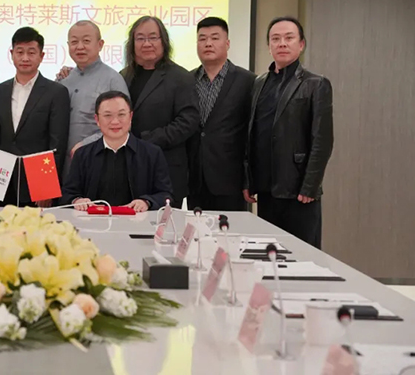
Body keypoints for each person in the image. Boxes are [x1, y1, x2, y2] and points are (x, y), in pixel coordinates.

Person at [244, 17, 333, 248]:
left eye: (289, 38)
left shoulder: (316, 84)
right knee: (270, 254)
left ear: (301, 44)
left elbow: (322, 140)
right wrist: (249, 179)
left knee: (303, 255)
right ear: (269, 46)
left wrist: (310, 185)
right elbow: (252, 134)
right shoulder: (259, 83)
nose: (282, 43)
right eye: (275, 39)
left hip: (299, 189)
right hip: (266, 189)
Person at [120, 16, 199, 208]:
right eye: (140, 38)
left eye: (153, 37)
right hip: (127, 169)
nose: (147, 43)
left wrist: (147, 140)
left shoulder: (181, 77)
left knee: (163, 225)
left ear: (163, 41)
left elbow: (188, 121)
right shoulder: (123, 76)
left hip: (166, 169)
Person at [0, 27, 71, 207]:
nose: (25, 58)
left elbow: (57, 144)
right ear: (11, 54)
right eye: (20, 52)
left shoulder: (56, 92)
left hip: (37, 181)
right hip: (3, 180)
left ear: (41, 56)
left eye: (31, 52)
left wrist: (45, 187)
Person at [62, 91, 173, 212]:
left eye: (121, 114)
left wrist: (146, 202)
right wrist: (77, 200)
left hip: (138, 221)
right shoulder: (82, 154)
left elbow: (165, 194)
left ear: (130, 117)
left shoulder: (152, 153)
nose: (115, 121)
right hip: (94, 221)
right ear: (97, 119)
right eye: (107, 115)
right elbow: (68, 193)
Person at [187, 17, 256, 212]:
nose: (208, 43)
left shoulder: (248, 81)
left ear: (227, 43)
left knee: (232, 231)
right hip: (195, 179)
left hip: (231, 180)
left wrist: (249, 179)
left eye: (215, 38)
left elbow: (252, 134)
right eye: (202, 39)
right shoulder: (186, 80)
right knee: (196, 230)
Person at [58, 20, 129, 178]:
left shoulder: (113, 80)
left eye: (86, 41)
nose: (80, 47)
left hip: (99, 162)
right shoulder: (64, 80)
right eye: (74, 42)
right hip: (63, 167)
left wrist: (85, 145)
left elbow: (123, 125)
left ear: (100, 44)